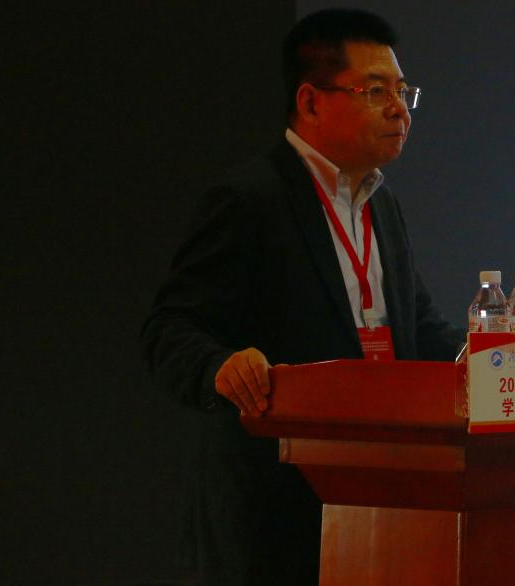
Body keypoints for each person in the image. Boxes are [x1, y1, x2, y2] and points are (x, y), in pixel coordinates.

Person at [141, 9, 462, 585]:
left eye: (403, 91)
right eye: (376, 91)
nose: (399, 109)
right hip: (279, 509)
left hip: (382, 496)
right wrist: (219, 365)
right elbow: (171, 329)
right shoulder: (250, 199)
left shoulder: (381, 202)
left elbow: (418, 331)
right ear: (311, 101)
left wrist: (501, 359)